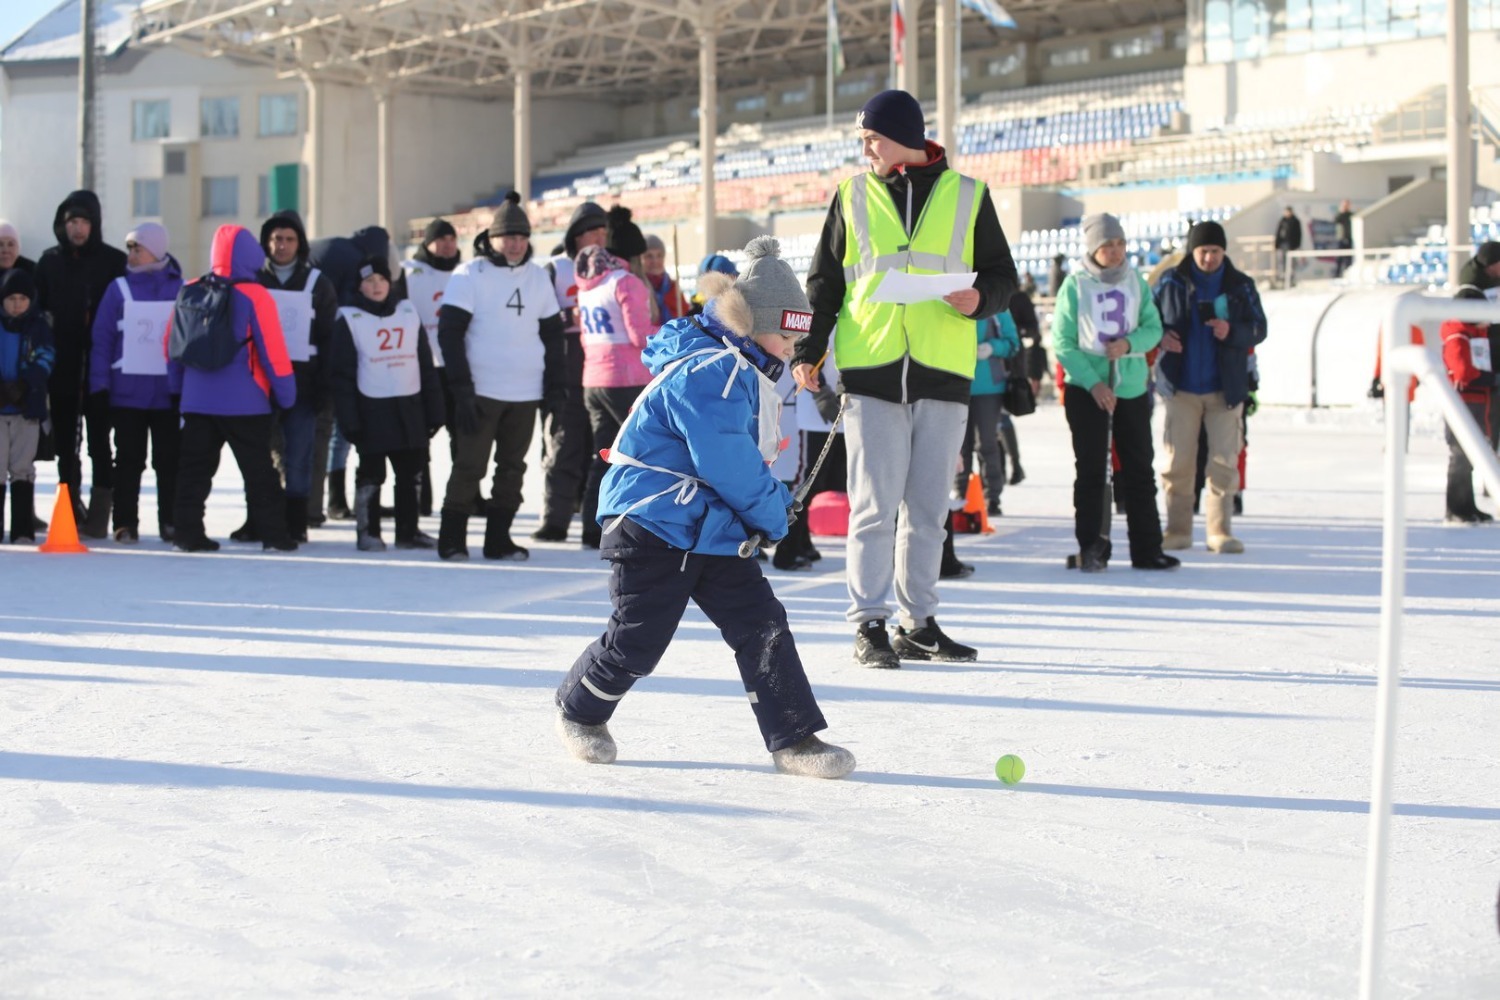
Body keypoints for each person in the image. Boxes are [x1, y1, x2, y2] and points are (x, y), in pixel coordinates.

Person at [553, 236, 854, 778]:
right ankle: (580, 708)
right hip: (651, 522)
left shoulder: (744, 366)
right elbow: (726, 462)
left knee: (762, 624)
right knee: (639, 639)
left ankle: (794, 738)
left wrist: (768, 507)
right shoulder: (710, 371)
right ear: (748, 321)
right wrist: (772, 513)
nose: (790, 347)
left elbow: (741, 463)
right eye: (785, 335)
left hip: (712, 526)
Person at [797, 88, 1018, 668]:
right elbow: (823, 285)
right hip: (871, 368)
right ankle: (868, 623)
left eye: (873, 137)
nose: (865, 148)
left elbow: (1003, 277)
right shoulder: (850, 196)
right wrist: (809, 351)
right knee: (873, 507)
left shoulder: (969, 195)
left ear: (905, 138)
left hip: (943, 370)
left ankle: (917, 623)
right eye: (864, 139)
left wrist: (980, 300)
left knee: (927, 510)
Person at [435, 194, 563, 561]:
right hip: (481, 391)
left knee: (513, 468)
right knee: (469, 466)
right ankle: (452, 539)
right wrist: (461, 388)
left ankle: (498, 539)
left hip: (525, 392)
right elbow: (450, 334)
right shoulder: (469, 274)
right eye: (507, 237)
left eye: (521, 237)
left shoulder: (538, 276)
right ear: (490, 239)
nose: (515, 244)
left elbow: (553, 336)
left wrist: (554, 388)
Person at [1052, 213, 1176, 572]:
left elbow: (1154, 328)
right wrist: (1095, 383)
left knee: (1139, 469)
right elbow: (1063, 343)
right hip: (1087, 390)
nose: (1116, 251)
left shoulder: (1136, 282)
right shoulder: (1075, 286)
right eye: (1108, 245)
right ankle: (1092, 547)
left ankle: (1147, 549)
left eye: (1120, 243)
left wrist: (1129, 343)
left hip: (1132, 387)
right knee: (1092, 470)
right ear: (1094, 248)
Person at [169, 224, 298, 553]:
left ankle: (187, 533)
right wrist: (286, 394)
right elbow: (273, 351)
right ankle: (274, 535)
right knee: (259, 474)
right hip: (246, 402)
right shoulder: (256, 295)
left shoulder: (191, 289)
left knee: (194, 473)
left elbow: (171, 345)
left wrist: (178, 389)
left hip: (197, 402)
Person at [1153, 220, 1267, 554]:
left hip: (1225, 389)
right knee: (1179, 463)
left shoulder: (1240, 285)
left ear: (1223, 251)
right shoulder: (1170, 281)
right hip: (1181, 387)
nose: (1209, 258)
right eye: (1203, 251)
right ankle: (1177, 530)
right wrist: (1160, 337)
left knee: (1223, 461)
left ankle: (1219, 530)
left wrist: (1231, 331)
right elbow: (1145, 320)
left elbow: (1259, 328)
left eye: (1215, 251)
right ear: (1193, 250)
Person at [330, 256, 444, 550]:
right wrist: (349, 420)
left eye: (381, 279)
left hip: (409, 405)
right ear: (359, 287)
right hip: (372, 408)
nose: (376, 285)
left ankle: (409, 531)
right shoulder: (349, 318)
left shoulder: (407, 311)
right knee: (371, 473)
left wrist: (434, 410)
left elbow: (425, 363)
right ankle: (368, 531)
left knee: (411, 471)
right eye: (369, 281)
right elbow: (341, 376)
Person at [240, 210, 338, 543]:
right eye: (276, 239)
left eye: (289, 239)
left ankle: (296, 522)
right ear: (266, 242)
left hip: (304, 384)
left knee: (299, 456)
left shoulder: (318, 283)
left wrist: (326, 386)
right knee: (257, 454)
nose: (282, 245)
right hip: (258, 383)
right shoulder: (251, 280)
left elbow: (329, 338)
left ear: (300, 243)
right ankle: (256, 519)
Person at [34, 190, 127, 534]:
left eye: (84, 221)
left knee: (100, 442)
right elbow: (38, 313)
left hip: (101, 366)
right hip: (62, 367)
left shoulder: (113, 261)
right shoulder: (49, 262)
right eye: (72, 221)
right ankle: (69, 504)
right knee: (66, 444)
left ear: (95, 224)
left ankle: (101, 512)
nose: (78, 228)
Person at [88, 223, 182, 543]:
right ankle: (125, 522)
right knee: (128, 462)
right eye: (129, 248)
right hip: (127, 393)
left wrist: (184, 387)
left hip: (167, 393)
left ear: (155, 250)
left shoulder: (180, 289)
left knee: (169, 462)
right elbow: (102, 340)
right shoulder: (118, 289)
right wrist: (99, 386)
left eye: (136, 248)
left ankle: (170, 521)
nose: (130, 254)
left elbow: (187, 343)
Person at [576, 221, 659, 551]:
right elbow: (642, 336)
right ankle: (630, 523)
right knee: (636, 455)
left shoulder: (588, 285)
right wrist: (672, 328)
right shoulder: (627, 282)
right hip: (626, 379)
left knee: (602, 456)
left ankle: (589, 525)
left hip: (593, 379)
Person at [535, 200, 608, 543]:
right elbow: (540, 319)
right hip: (568, 367)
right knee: (564, 445)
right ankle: (555, 520)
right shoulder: (555, 269)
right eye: (593, 230)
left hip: (604, 370)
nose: (600, 236)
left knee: (602, 449)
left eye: (604, 231)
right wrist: (572, 317)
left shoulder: (612, 269)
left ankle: (594, 522)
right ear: (577, 236)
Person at [402, 216, 462, 518]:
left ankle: (465, 496)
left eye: (452, 238)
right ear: (427, 243)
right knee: (420, 436)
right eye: (442, 239)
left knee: (462, 435)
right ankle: (421, 498)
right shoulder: (412, 274)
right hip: (423, 366)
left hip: (456, 366)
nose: (448, 244)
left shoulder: (466, 273)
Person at [0, 268, 54, 543]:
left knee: (22, 468)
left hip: (27, 409)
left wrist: (28, 382)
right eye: (11, 298)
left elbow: (46, 356)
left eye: (22, 298)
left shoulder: (38, 325)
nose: (17, 303)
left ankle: (22, 528)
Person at [954, 311, 1020, 517]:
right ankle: (960, 494)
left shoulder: (998, 308)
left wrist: (993, 347)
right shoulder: (952, 298)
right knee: (959, 446)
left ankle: (992, 497)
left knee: (988, 443)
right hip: (956, 385)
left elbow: (1012, 343)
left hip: (990, 388)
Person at [1439, 285, 1495, 524]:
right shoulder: (1458, 334)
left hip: (1476, 401)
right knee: (1460, 456)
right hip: (1462, 402)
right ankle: (1456, 508)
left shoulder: (1473, 333)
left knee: (1470, 457)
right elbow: (1462, 372)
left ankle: (1467, 505)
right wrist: (1490, 378)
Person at [642, 233, 691, 320]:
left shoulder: (672, 287)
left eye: (659, 255)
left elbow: (684, 316)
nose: (655, 261)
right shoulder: (637, 287)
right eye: (649, 256)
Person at [1274, 206, 1302, 288]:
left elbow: (1298, 234)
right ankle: (1284, 279)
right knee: (1282, 262)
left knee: (1291, 263)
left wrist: (1296, 245)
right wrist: (1277, 244)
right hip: (1282, 244)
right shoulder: (1282, 221)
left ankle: (1291, 279)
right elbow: (1278, 232)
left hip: (1291, 245)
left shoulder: (1295, 221)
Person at [1332, 199, 1354, 278]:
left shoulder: (1351, 215)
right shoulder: (1339, 215)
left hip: (1349, 239)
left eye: (1347, 205)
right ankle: (1337, 276)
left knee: (1348, 260)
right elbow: (1335, 220)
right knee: (1339, 259)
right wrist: (1341, 212)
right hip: (1341, 239)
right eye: (1344, 205)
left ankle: (1347, 276)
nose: (1346, 206)